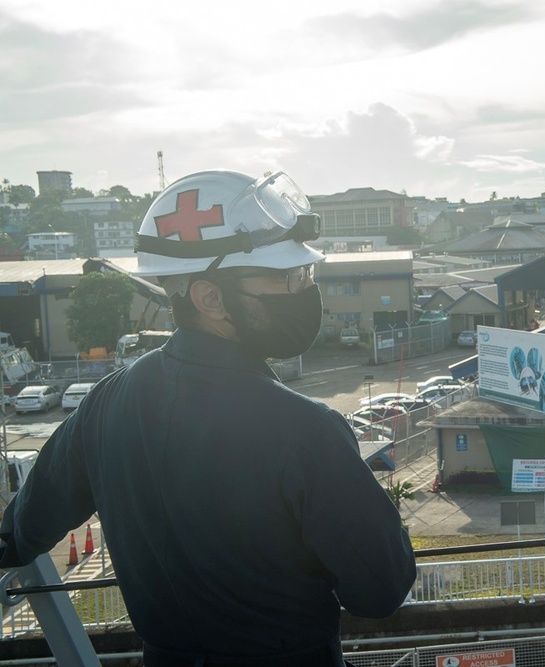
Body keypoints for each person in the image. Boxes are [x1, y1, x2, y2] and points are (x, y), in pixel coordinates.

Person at [0, 169, 416, 666]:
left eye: (306, 274)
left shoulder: (105, 405)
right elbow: (381, 590)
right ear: (210, 298)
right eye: (288, 277)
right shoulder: (307, 430)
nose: (306, 289)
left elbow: (23, 531)